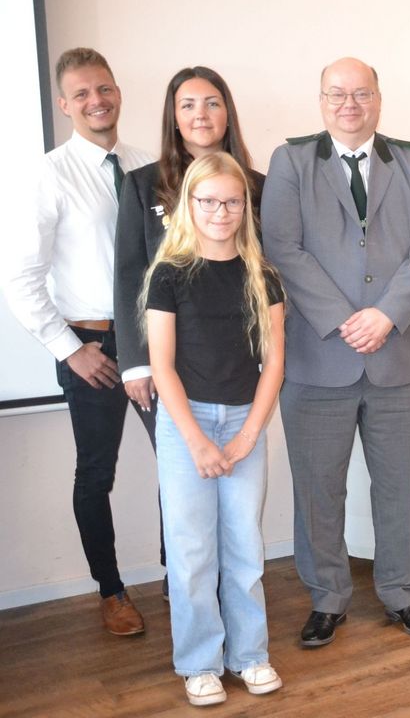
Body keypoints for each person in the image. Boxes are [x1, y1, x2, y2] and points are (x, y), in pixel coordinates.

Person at [261, 57, 410, 647]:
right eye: (337, 94)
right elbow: (283, 248)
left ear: (379, 98)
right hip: (320, 359)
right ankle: (327, 598)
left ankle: (399, 590)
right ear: (321, 101)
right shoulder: (291, 161)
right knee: (319, 488)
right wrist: (346, 320)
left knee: (398, 483)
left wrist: (387, 314)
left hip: (393, 357)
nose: (350, 103)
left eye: (361, 93)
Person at [3, 47, 152, 635]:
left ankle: (180, 572)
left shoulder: (148, 165)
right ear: (65, 104)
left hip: (154, 340)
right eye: (83, 93)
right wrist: (70, 348)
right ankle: (111, 591)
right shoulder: (48, 174)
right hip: (93, 348)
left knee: (183, 461)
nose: (97, 101)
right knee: (96, 472)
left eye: (105, 89)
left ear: (118, 93)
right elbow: (19, 276)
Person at [115, 65, 264, 599]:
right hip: (169, 371)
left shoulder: (257, 187)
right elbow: (131, 272)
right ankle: (187, 602)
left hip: (239, 378)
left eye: (212, 102)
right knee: (186, 499)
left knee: (237, 517)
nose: (201, 114)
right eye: (188, 105)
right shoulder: (141, 184)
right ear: (173, 118)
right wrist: (135, 362)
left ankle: (231, 615)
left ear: (228, 113)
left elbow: (265, 277)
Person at [142, 152, 285, 706]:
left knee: (244, 546)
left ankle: (250, 655)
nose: (221, 212)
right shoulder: (169, 274)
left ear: (244, 207)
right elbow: (162, 366)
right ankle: (200, 662)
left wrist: (249, 434)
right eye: (208, 201)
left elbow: (273, 363)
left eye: (232, 201)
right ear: (189, 205)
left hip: (244, 421)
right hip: (187, 425)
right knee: (192, 550)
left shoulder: (261, 275)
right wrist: (198, 441)